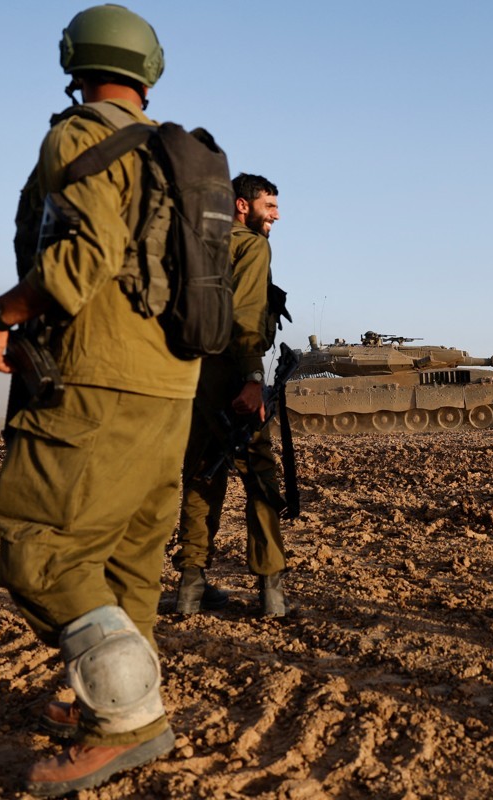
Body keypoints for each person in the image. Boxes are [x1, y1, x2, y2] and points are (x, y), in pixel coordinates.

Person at [0, 5, 202, 794]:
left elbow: (85, 255)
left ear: (75, 59)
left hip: (95, 380)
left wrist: (1, 314)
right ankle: (115, 699)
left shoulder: (81, 135)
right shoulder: (179, 157)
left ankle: (130, 719)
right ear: (150, 68)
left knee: (41, 546)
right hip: (172, 388)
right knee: (128, 560)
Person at [171, 173, 290, 617]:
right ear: (243, 205)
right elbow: (244, 316)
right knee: (259, 477)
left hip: (193, 377)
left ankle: (190, 588)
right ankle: (271, 593)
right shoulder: (251, 245)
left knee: (202, 477)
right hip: (234, 373)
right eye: (270, 206)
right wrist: (253, 377)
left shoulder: (196, 247)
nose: (276, 215)